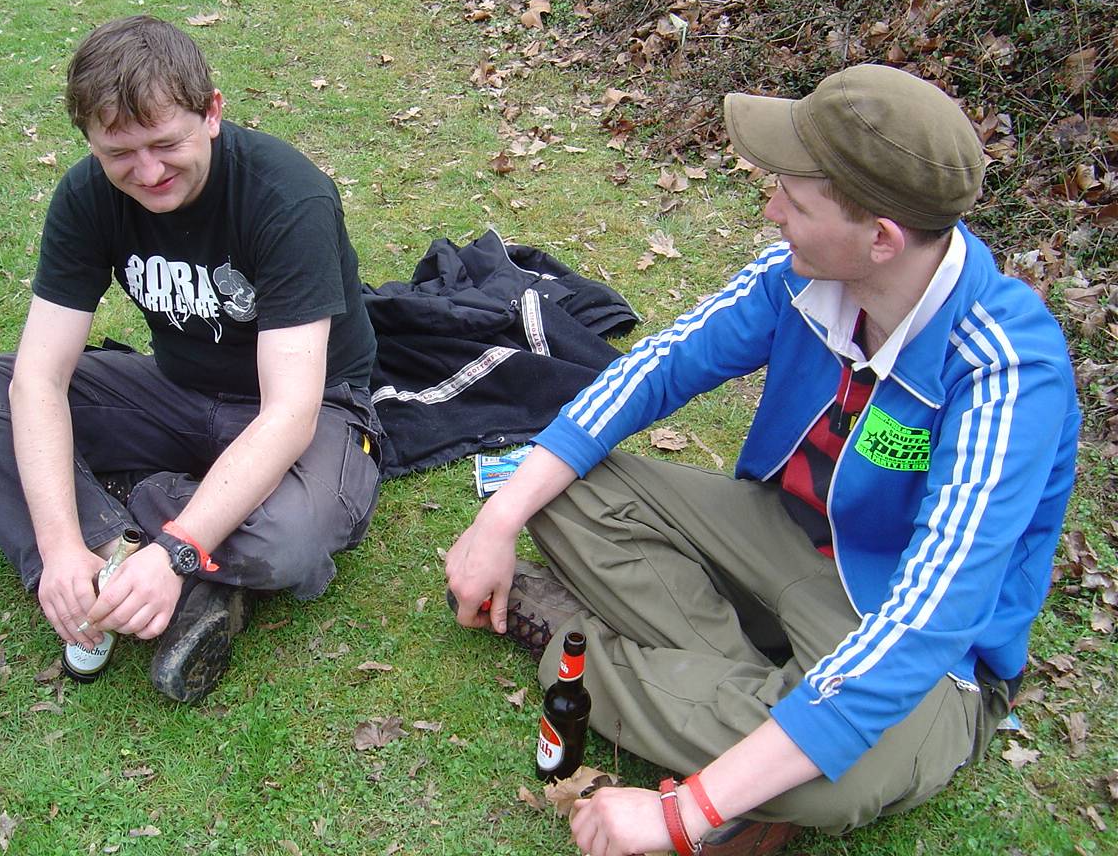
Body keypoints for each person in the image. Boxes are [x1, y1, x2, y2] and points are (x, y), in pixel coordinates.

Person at [445, 64, 1079, 855]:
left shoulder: (1007, 373)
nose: (772, 210)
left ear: (881, 239)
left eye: (795, 201)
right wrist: (499, 519)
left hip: (923, 643)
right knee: (558, 488)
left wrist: (682, 814)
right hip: (779, 539)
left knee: (842, 779)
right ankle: (775, 723)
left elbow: (926, 620)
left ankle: (579, 652)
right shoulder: (803, 276)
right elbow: (657, 369)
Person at [0, 15, 383, 703]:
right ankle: (109, 556)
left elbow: (289, 413)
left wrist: (178, 548)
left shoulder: (287, 197)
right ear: (90, 142)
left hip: (308, 409)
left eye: (167, 144)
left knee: (291, 539)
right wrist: (58, 544)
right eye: (119, 153)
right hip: (177, 390)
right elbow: (39, 378)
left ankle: (158, 543)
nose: (148, 173)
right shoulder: (87, 197)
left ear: (212, 114)